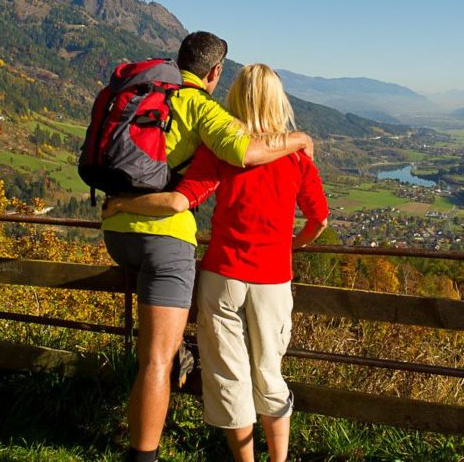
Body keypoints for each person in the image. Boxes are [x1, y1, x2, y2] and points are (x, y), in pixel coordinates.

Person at [100, 33, 314, 462]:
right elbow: (249, 156)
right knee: (171, 361)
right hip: (198, 253)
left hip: (134, 239)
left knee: (218, 370)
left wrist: (120, 203)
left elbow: (176, 189)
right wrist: (298, 138)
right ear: (215, 73)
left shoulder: (151, 92)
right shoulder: (207, 112)